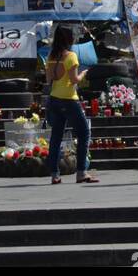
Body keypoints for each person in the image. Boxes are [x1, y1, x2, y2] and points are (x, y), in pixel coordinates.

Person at [44, 24, 98, 185]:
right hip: (69, 99)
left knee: (56, 137)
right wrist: (83, 73)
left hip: (54, 99)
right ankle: (81, 172)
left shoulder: (50, 57)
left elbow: (48, 80)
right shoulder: (71, 56)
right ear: (69, 39)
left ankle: (55, 174)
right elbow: (74, 80)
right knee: (83, 134)